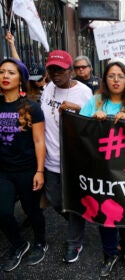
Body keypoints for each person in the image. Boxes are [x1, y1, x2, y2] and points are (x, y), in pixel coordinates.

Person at [79, 60, 125, 277]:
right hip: (102, 169)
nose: (116, 80)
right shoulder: (95, 101)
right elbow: (79, 129)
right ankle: (109, 254)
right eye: (111, 76)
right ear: (104, 80)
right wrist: (92, 119)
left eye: (120, 76)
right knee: (106, 212)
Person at [40, 50, 92, 263]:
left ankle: (74, 242)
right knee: (55, 201)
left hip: (75, 161)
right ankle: (77, 220)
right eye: (51, 69)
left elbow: (94, 124)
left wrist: (78, 109)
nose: (55, 74)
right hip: (50, 159)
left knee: (73, 202)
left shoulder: (85, 92)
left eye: (60, 69)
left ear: (70, 70)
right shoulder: (48, 88)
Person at [0, 58, 47, 271]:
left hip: (27, 170)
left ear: (20, 78)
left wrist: (39, 171)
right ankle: (19, 244)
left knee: (31, 210)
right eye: (2, 72)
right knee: (3, 212)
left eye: (11, 72)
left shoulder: (31, 107)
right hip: (3, 171)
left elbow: (39, 141)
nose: (5, 76)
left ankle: (40, 242)